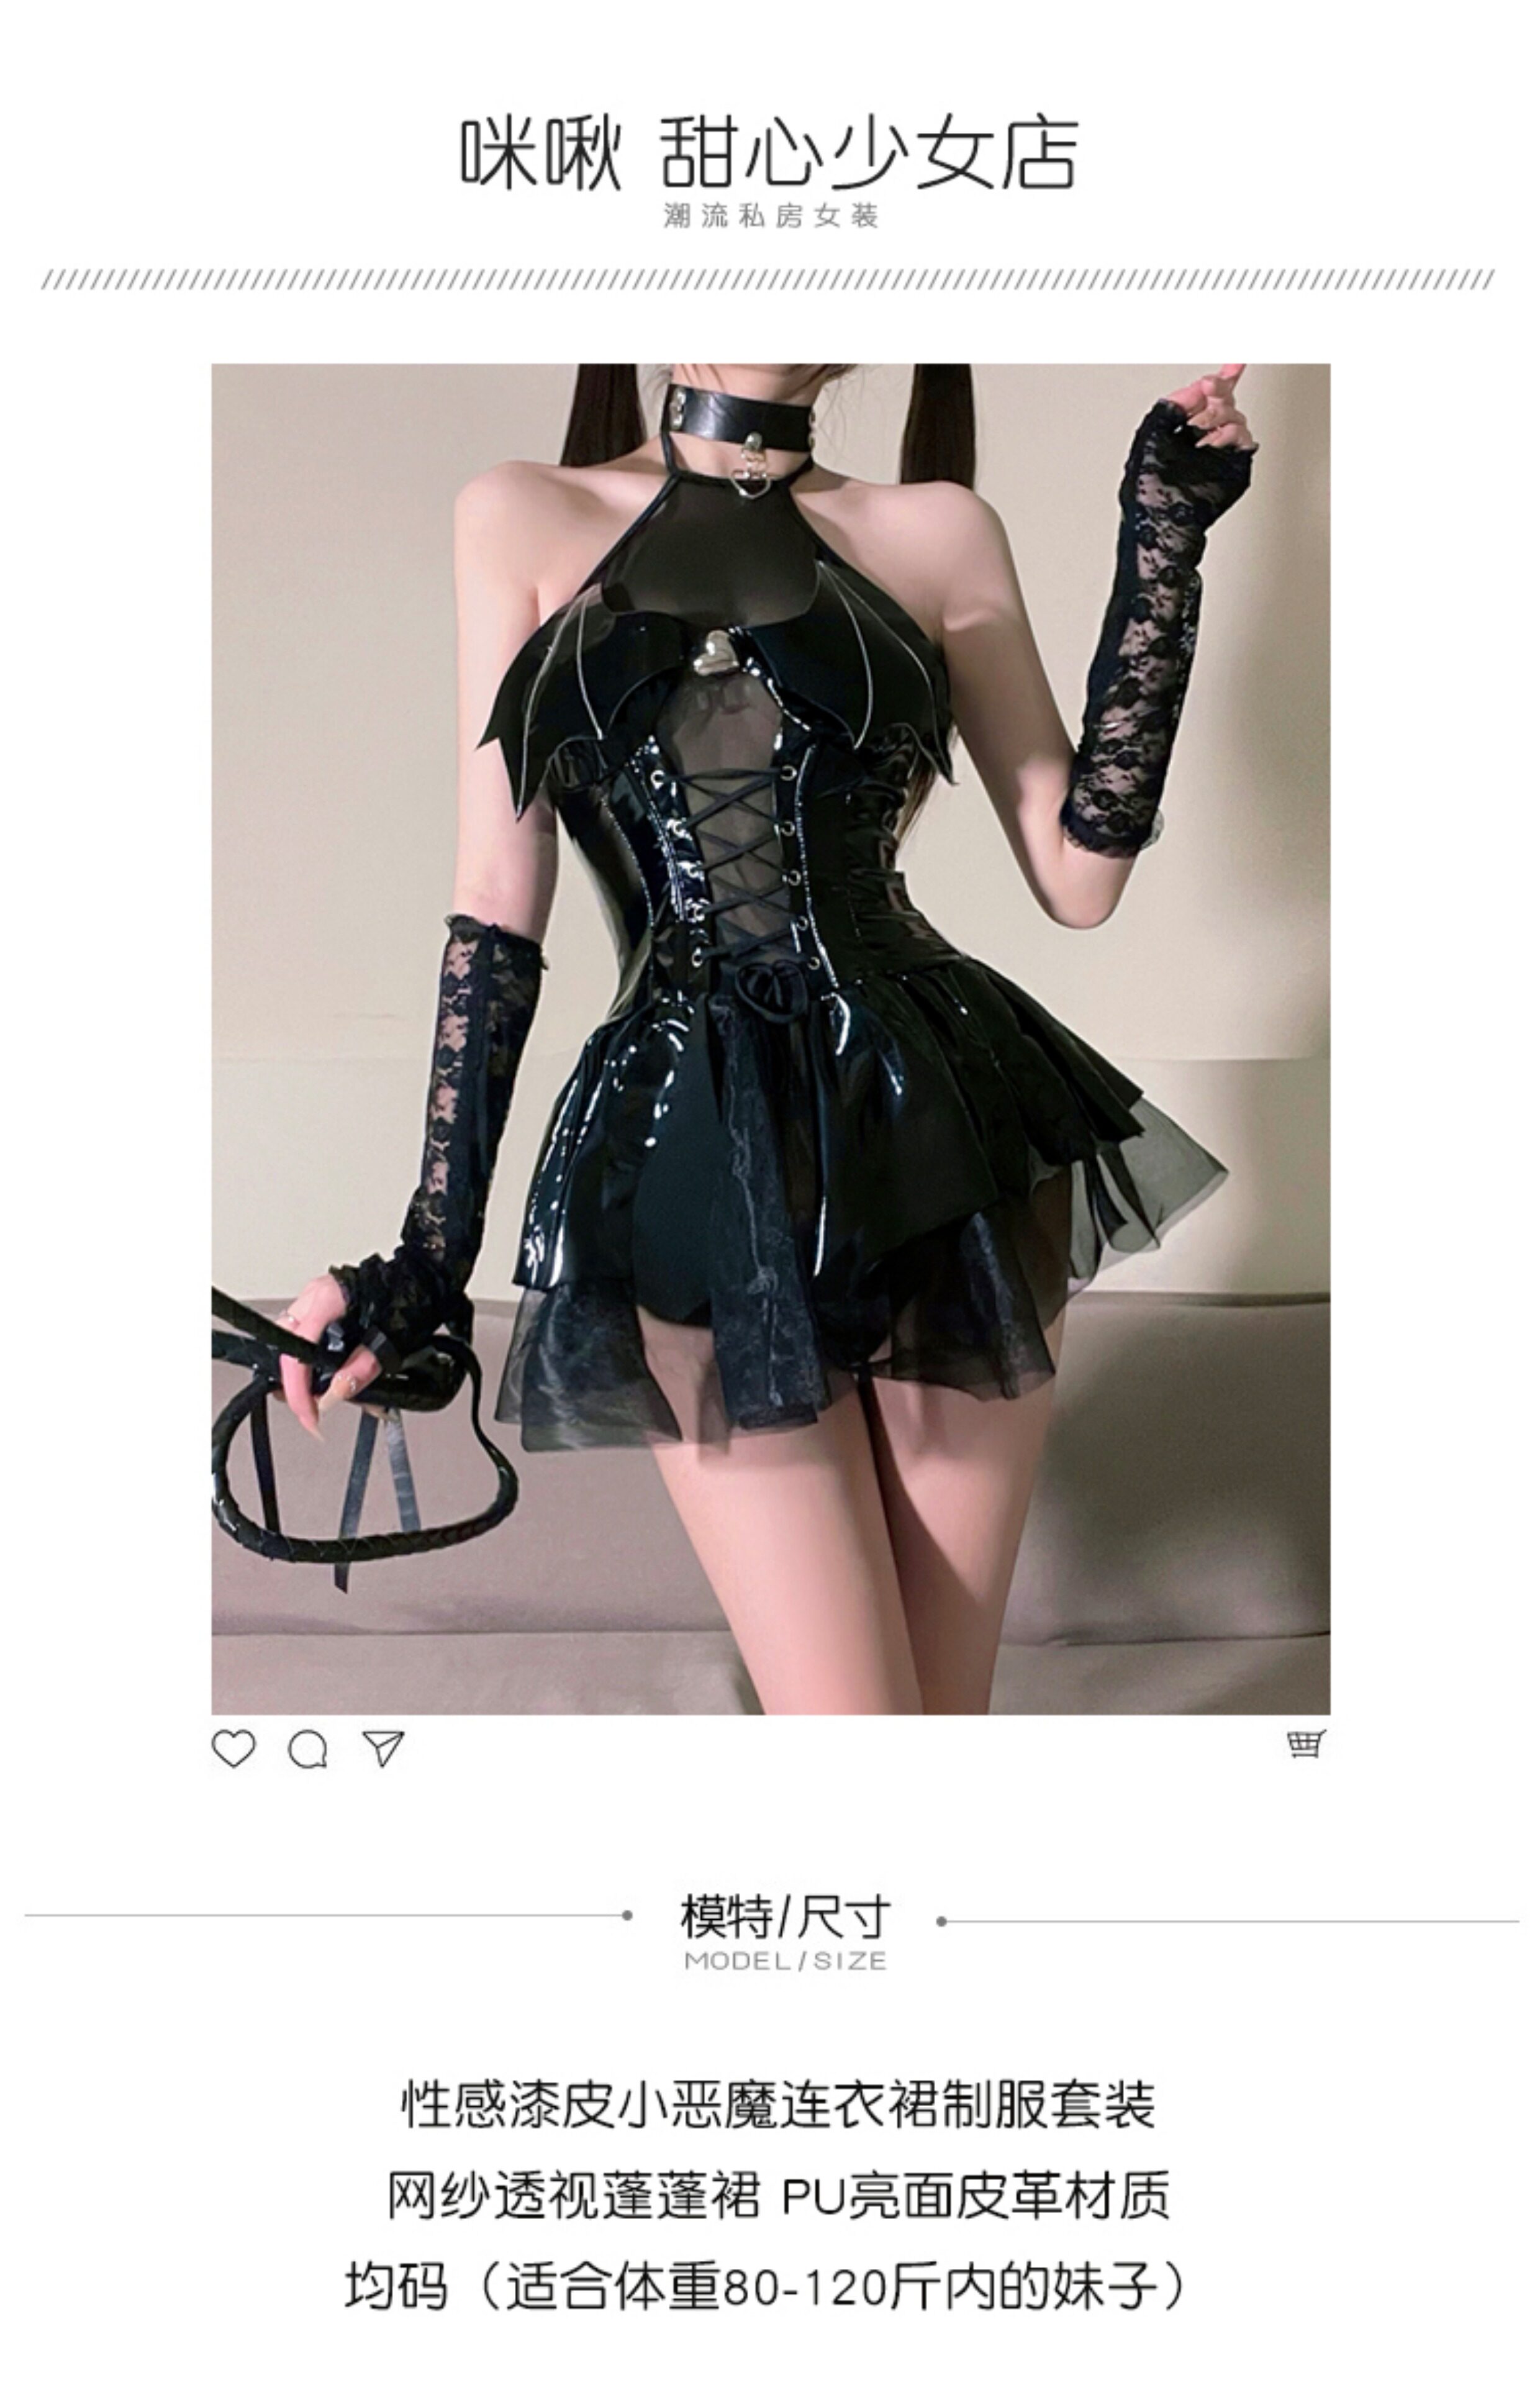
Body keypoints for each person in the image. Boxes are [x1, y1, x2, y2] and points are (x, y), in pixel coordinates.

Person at [276, 362, 1257, 1717]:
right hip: (687, 1159)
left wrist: (1165, 544)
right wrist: (429, 1258)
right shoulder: (520, 515)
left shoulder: (937, 530)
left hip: (938, 1138)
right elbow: (495, 906)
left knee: (938, 1733)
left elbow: (1077, 877)